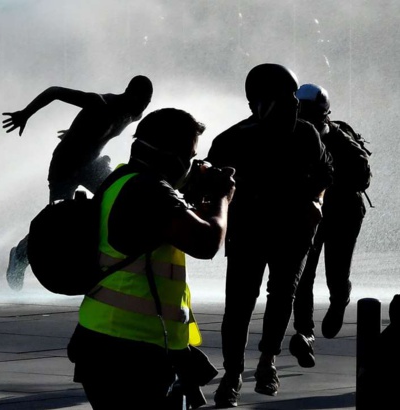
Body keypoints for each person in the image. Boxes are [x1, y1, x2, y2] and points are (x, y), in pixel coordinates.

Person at [66, 108, 236, 408]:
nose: (191, 164)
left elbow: (160, 228)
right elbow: (206, 243)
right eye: (189, 155)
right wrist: (222, 196)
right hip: (128, 350)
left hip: (110, 341)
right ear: (172, 155)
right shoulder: (150, 191)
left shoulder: (123, 178)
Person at [207, 64, 333, 408]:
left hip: (293, 232)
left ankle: (268, 361)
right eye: (285, 97)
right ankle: (232, 373)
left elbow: (325, 173)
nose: (294, 103)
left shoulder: (307, 134)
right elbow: (208, 188)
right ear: (260, 104)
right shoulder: (231, 141)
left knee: (281, 296)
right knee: (239, 304)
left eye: (294, 96)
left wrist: (315, 201)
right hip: (248, 232)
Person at [2, 75, 153, 290]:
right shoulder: (99, 102)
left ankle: (110, 263)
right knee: (57, 224)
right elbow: (54, 91)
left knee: (117, 201)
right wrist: (25, 114)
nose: (142, 107)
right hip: (65, 166)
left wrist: (78, 133)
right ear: (129, 92)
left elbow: (98, 131)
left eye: (147, 103)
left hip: (93, 165)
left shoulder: (135, 114)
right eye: (141, 100)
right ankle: (20, 255)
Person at [289, 83, 372, 367]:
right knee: (303, 275)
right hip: (311, 213)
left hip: (344, 214)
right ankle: (304, 333)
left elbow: (362, 178)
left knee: (335, 272)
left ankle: (339, 300)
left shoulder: (341, 140)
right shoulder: (294, 137)